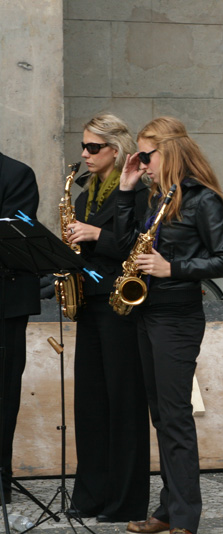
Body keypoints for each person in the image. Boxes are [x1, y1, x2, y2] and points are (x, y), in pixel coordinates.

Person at [117, 117, 223, 534]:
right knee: (161, 416)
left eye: (146, 155)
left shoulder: (203, 200)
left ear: (168, 151)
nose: (141, 162)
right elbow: (121, 240)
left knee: (175, 417)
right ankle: (169, 510)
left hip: (177, 317)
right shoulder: (154, 197)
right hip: (147, 314)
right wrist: (126, 187)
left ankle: (185, 519)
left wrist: (174, 268)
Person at [65, 113, 151, 522]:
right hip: (91, 304)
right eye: (84, 147)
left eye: (92, 148)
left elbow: (135, 246)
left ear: (116, 151)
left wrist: (95, 234)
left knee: (124, 405)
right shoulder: (84, 194)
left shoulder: (138, 193)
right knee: (91, 404)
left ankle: (125, 501)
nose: (85, 154)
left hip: (123, 308)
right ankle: (91, 495)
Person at [0, 150, 40, 504]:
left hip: (5, 305)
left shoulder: (17, 174)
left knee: (2, 393)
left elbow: (16, 235)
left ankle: (0, 479)